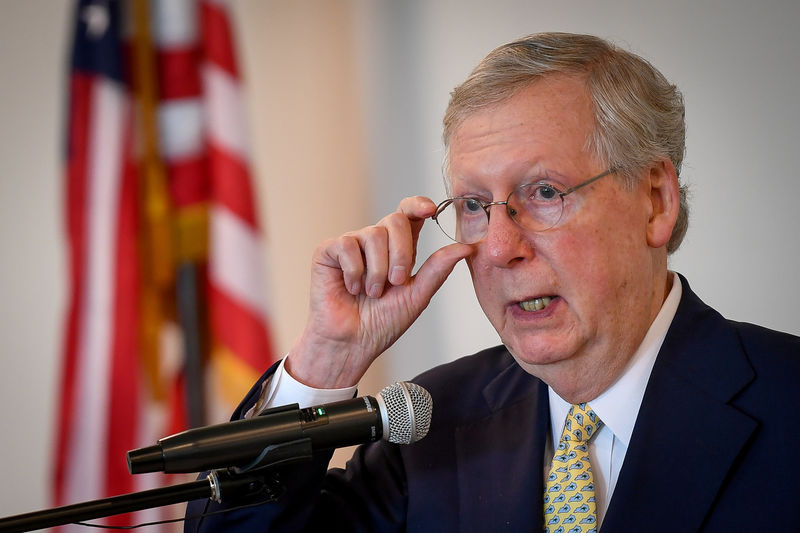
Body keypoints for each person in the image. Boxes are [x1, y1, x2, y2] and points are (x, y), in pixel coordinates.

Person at [185, 32, 800, 532]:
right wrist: (327, 360)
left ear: (655, 200)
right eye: (475, 206)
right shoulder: (431, 426)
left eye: (545, 193)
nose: (501, 248)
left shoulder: (786, 399)